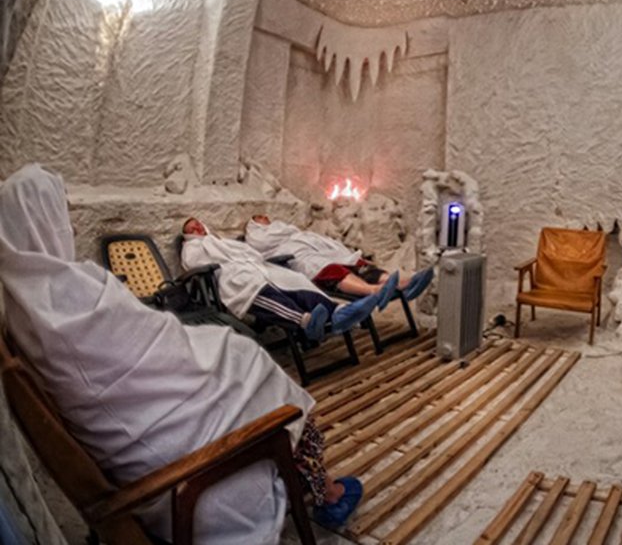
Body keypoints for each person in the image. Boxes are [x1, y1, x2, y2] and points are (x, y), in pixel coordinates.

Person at [0, 165, 362, 544]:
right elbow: (149, 348)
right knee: (259, 377)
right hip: (172, 471)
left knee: (241, 354)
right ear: (42, 222)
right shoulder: (73, 296)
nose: (71, 229)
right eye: (63, 214)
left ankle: (319, 317)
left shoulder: (25, 313)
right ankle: (327, 492)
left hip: (141, 434)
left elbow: (139, 347)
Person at [182, 218, 397, 343]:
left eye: (198, 224)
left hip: (261, 269)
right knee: (266, 294)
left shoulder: (222, 242)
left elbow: (251, 253)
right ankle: (305, 322)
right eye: (191, 229)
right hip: (236, 277)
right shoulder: (191, 248)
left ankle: (340, 313)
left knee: (298, 283)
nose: (197, 229)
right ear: (187, 235)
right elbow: (195, 264)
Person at [245, 215, 434, 302]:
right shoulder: (256, 234)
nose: (265, 218)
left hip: (314, 250)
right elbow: (263, 244)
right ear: (254, 223)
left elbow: (295, 233)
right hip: (299, 257)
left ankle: (401, 283)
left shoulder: (282, 227)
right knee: (331, 269)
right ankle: (373, 290)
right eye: (260, 217)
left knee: (356, 263)